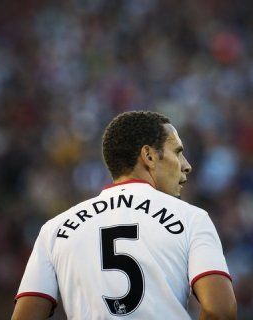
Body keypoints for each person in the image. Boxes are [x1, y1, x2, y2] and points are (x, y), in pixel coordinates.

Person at [12, 111, 237, 319]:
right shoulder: (192, 218)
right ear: (148, 156)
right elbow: (220, 310)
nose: (186, 166)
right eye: (177, 152)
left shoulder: (55, 229)